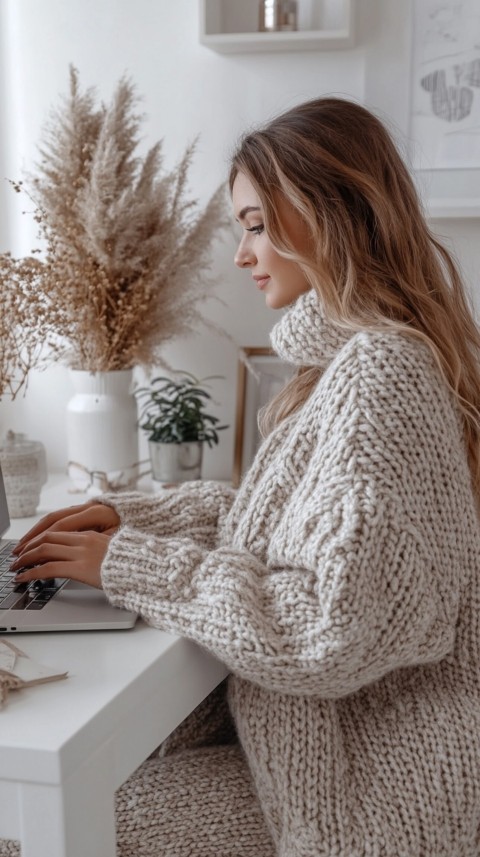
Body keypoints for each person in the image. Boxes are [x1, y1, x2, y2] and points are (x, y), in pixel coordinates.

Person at [3, 95, 480, 857]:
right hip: (311, 760)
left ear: (328, 214)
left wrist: (127, 562)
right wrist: (132, 521)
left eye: (257, 225)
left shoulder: (382, 372)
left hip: (364, 797)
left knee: (55, 823)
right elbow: (280, 530)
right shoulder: (344, 368)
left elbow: (329, 628)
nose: (241, 253)